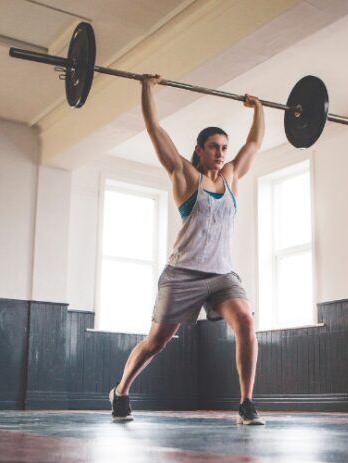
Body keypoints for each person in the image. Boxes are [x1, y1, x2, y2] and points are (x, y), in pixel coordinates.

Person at [109, 74, 265, 425]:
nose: (221, 153)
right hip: (183, 274)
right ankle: (120, 392)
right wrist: (147, 90)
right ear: (199, 149)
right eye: (214, 146)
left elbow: (254, 142)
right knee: (156, 342)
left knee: (245, 320)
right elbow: (154, 130)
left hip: (222, 275)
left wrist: (258, 108)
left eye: (224, 147)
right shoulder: (184, 175)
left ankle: (246, 403)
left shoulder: (233, 177)